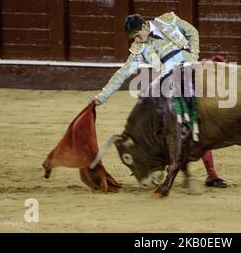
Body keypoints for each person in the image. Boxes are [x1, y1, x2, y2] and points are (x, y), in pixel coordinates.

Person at [93, 12, 227, 188]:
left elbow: (192, 32)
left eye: (138, 35)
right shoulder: (139, 48)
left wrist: (193, 56)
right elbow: (122, 73)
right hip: (171, 84)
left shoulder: (167, 21)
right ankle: (203, 172)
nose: (138, 40)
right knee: (178, 124)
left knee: (199, 121)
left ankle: (208, 172)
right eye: (135, 38)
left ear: (143, 27)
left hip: (192, 73)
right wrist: (101, 98)